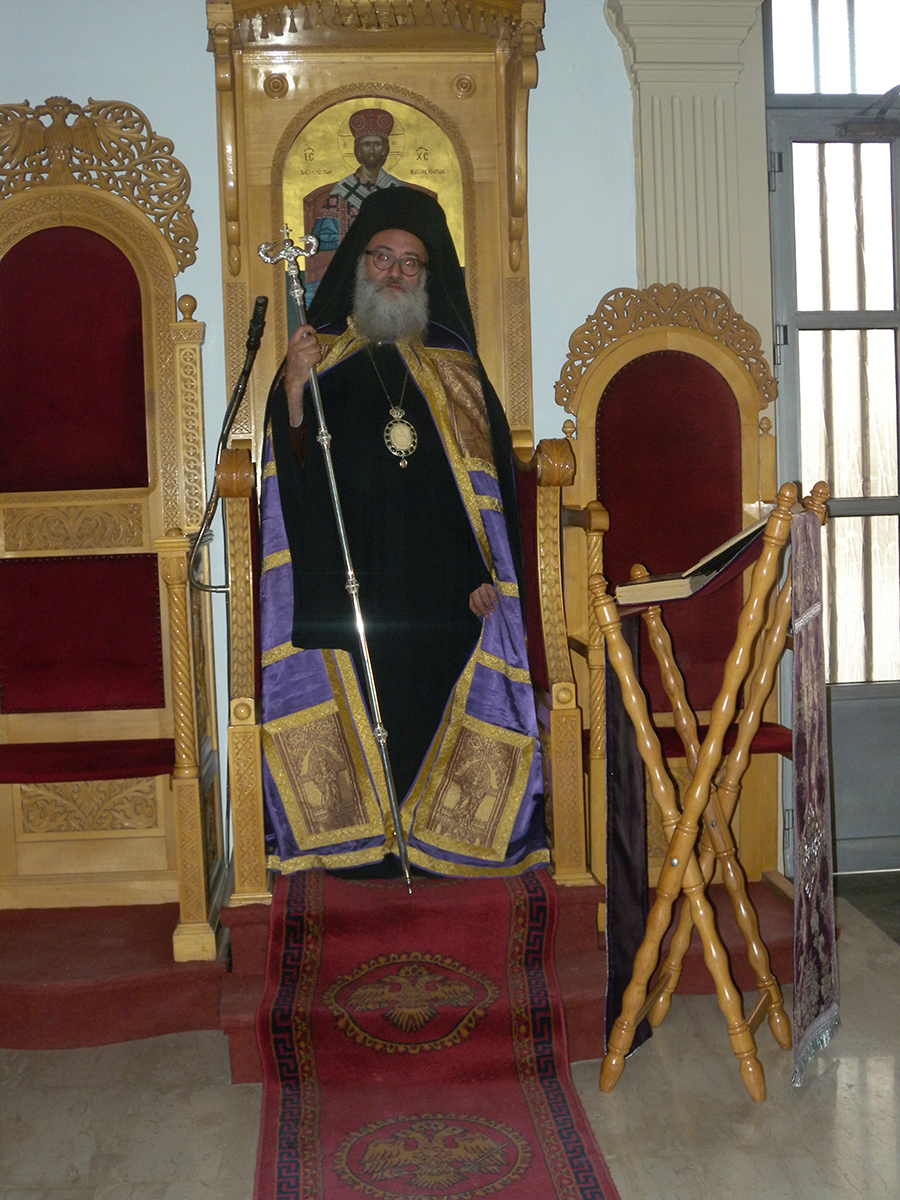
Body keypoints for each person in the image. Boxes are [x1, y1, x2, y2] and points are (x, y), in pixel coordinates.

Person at [260, 187, 548, 878]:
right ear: (359, 265)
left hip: (442, 587)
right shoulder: (320, 361)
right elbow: (292, 474)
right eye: (382, 257)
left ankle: (436, 843)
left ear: (427, 277)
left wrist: (482, 575)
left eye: (410, 263)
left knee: (436, 690)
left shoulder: (456, 368)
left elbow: (482, 492)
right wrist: (293, 388)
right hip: (347, 580)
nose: (394, 272)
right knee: (360, 700)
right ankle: (361, 847)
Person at [303, 108, 406, 302]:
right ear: (357, 151)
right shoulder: (341, 192)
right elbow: (321, 241)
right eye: (366, 144)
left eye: (377, 144)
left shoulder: (399, 192)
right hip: (350, 271)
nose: (372, 150)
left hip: (391, 271)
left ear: (386, 150)